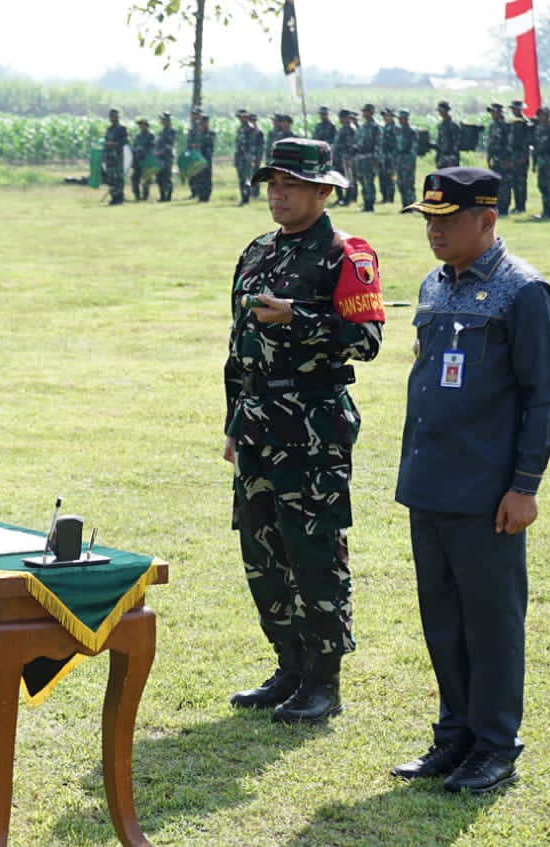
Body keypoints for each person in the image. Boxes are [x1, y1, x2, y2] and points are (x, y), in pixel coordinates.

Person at [394, 167, 550, 793]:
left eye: (447, 220)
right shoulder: (435, 285)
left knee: (491, 622)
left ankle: (495, 745)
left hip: (488, 492)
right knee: (442, 617)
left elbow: (542, 396)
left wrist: (524, 485)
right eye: (429, 220)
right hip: (430, 480)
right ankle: (454, 736)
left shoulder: (523, 291)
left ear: (487, 221)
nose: (434, 232)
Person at [224, 138, 385, 724]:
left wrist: (301, 317)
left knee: (314, 551)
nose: (278, 193)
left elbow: (366, 341)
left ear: (323, 191)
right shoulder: (259, 251)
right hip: (258, 426)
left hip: (312, 428)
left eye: (291, 184)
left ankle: (323, 681)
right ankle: (289, 666)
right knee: (262, 551)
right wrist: (233, 425)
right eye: (272, 182)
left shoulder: (346, 254)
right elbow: (238, 349)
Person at [531, 105, 550, 220]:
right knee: (542, 186)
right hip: (541, 161)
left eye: (543, 115)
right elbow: (535, 147)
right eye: (539, 115)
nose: (541, 117)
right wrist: (534, 164)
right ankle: (545, 210)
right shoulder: (538, 129)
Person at [235, 111, 266, 206]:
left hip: (249, 158)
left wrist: (255, 159)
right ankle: (243, 197)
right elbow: (238, 145)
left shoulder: (253, 130)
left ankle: (246, 198)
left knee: (247, 179)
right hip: (240, 158)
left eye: (243, 117)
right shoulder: (240, 129)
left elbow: (257, 146)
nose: (241, 119)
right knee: (241, 179)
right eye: (240, 117)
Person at [507, 100, 533, 213]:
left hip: (521, 155)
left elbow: (528, 141)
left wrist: (524, 155)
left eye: (516, 108)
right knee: (514, 181)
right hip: (513, 155)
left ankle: (521, 206)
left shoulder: (525, 123)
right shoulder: (512, 123)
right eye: (513, 108)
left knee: (521, 181)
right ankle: (517, 205)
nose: (514, 110)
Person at [355, 103, 382, 212]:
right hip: (361, 157)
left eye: (366, 111)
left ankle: (370, 204)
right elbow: (358, 141)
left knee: (369, 181)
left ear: (371, 113)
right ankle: (366, 203)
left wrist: (376, 158)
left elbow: (378, 143)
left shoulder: (376, 126)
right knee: (362, 180)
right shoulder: (363, 126)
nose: (364, 113)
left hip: (370, 156)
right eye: (364, 111)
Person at [485, 103, 511, 215]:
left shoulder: (506, 126)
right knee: (495, 183)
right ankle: (496, 206)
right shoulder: (492, 126)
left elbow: (510, 144)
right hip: (495, 159)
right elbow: (490, 144)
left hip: (503, 158)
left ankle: (504, 207)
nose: (492, 114)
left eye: (494, 112)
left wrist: (508, 159)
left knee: (504, 183)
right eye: (491, 112)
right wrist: (489, 158)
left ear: (499, 113)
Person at [103, 108, 129, 205]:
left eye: (113, 116)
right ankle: (113, 197)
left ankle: (119, 198)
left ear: (117, 117)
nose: (111, 118)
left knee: (118, 177)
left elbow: (125, 141)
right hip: (109, 156)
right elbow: (105, 140)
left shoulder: (121, 128)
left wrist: (114, 143)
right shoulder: (109, 129)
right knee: (110, 178)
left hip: (117, 156)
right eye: (110, 116)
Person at [188, 112, 215, 202]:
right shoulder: (199, 134)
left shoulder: (210, 133)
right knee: (199, 177)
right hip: (198, 159)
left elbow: (209, 146)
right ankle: (200, 195)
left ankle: (206, 196)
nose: (202, 125)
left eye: (203, 123)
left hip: (206, 159)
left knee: (206, 178)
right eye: (201, 123)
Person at [154, 112, 178, 202]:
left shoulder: (172, 131)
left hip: (167, 157)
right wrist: (156, 152)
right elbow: (157, 144)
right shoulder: (161, 132)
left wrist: (161, 152)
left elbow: (170, 145)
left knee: (167, 177)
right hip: (159, 158)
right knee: (159, 177)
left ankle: (168, 196)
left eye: (163, 119)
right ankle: (162, 196)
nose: (162, 121)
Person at [131, 117, 155, 201]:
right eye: (140, 124)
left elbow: (152, 148)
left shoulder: (150, 135)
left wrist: (145, 152)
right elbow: (134, 146)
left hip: (146, 160)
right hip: (138, 160)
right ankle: (137, 196)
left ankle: (145, 196)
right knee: (134, 178)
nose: (141, 126)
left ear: (146, 125)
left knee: (146, 179)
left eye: (142, 124)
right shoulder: (138, 136)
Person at [434, 100, 461, 169]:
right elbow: (439, 142)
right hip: (442, 158)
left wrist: (452, 159)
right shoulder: (440, 126)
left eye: (441, 110)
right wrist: (437, 158)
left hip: (451, 159)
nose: (440, 113)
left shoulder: (454, 125)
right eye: (439, 111)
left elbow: (456, 143)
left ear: (446, 110)